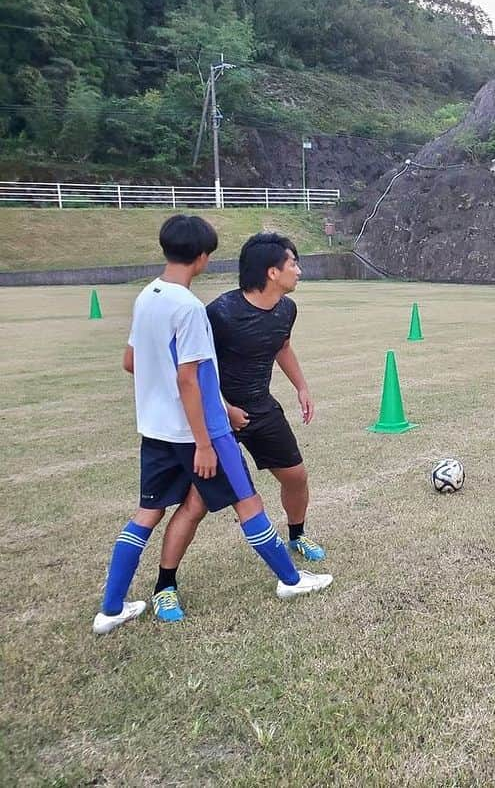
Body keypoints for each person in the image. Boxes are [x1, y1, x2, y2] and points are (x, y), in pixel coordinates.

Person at [92, 216, 331, 634]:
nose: (297, 269)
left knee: (148, 512)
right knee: (244, 503)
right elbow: (191, 379)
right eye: (292, 263)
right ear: (202, 257)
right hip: (203, 430)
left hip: (158, 430)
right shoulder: (195, 310)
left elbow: (133, 363)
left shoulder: (147, 296)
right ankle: (289, 581)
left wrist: (300, 387)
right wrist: (206, 437)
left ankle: (111, 609)